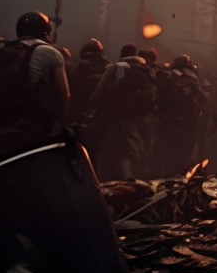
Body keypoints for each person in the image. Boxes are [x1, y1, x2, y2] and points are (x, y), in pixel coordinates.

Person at [0, 12, 69, 162]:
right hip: (34, 137)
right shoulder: (51, 53)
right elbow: (64, 95)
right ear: (46, 30)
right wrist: (63, 130)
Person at [87, 44, 156, 179]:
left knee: (120, 148)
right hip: (144, 116)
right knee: (138, 148)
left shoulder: (116, 67)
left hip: (118, 116)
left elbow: (97, 94)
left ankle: (118, 180)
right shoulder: (148, 69)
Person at [157, 55, 208, 175]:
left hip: (168, 120)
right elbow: (201, 100)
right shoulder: (193, 78)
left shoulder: (166, 76)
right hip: (188, 121)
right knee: (184, 150)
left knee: (168, 151)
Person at [69, 40, 108, 127]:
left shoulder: (80, 69)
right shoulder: (108, 69)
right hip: (102, 117)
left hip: (81, 115)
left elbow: (74, 94)